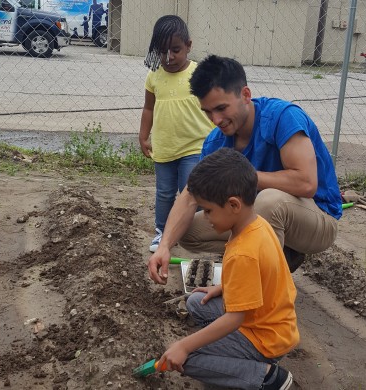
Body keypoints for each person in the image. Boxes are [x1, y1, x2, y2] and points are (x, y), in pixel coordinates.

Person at [148, 54, 341, 283]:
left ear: (246, 95)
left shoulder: (282, 118)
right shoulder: (216, 142)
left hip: (316, 218)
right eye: (208, 112)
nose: (216, 120)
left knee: (268, 202)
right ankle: (262, 260)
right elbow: (191, 195)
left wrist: (245, 176)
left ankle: (261, 294)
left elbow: (306, 183)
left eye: (221, 108)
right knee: (189, 231)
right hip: (263, 216)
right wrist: (165, 245)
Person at [156, 148, 298, 389]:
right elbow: (262, 276)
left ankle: (267, 377)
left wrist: (185, 345)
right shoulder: (258, 225)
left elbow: (235, 319)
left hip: (264, 340)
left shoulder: (244, 251)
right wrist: (224, 287)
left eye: (208, 210)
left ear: (233, 204)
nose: (206, 217)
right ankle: (231, 357)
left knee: (186, 359)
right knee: (196, 302)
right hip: (276, 324)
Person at [139, 15, 213, 252]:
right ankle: (162, 232)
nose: (169, 57)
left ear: (189, 46)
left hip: (195, 147)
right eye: (162, 52)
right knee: (164, 193)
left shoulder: (199, 74)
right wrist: (143, 136)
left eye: (176, 50)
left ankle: (196, 230)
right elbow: (148, 108)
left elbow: (213, 107)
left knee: (192, 191)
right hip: (165, 147)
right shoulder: (154, 76)